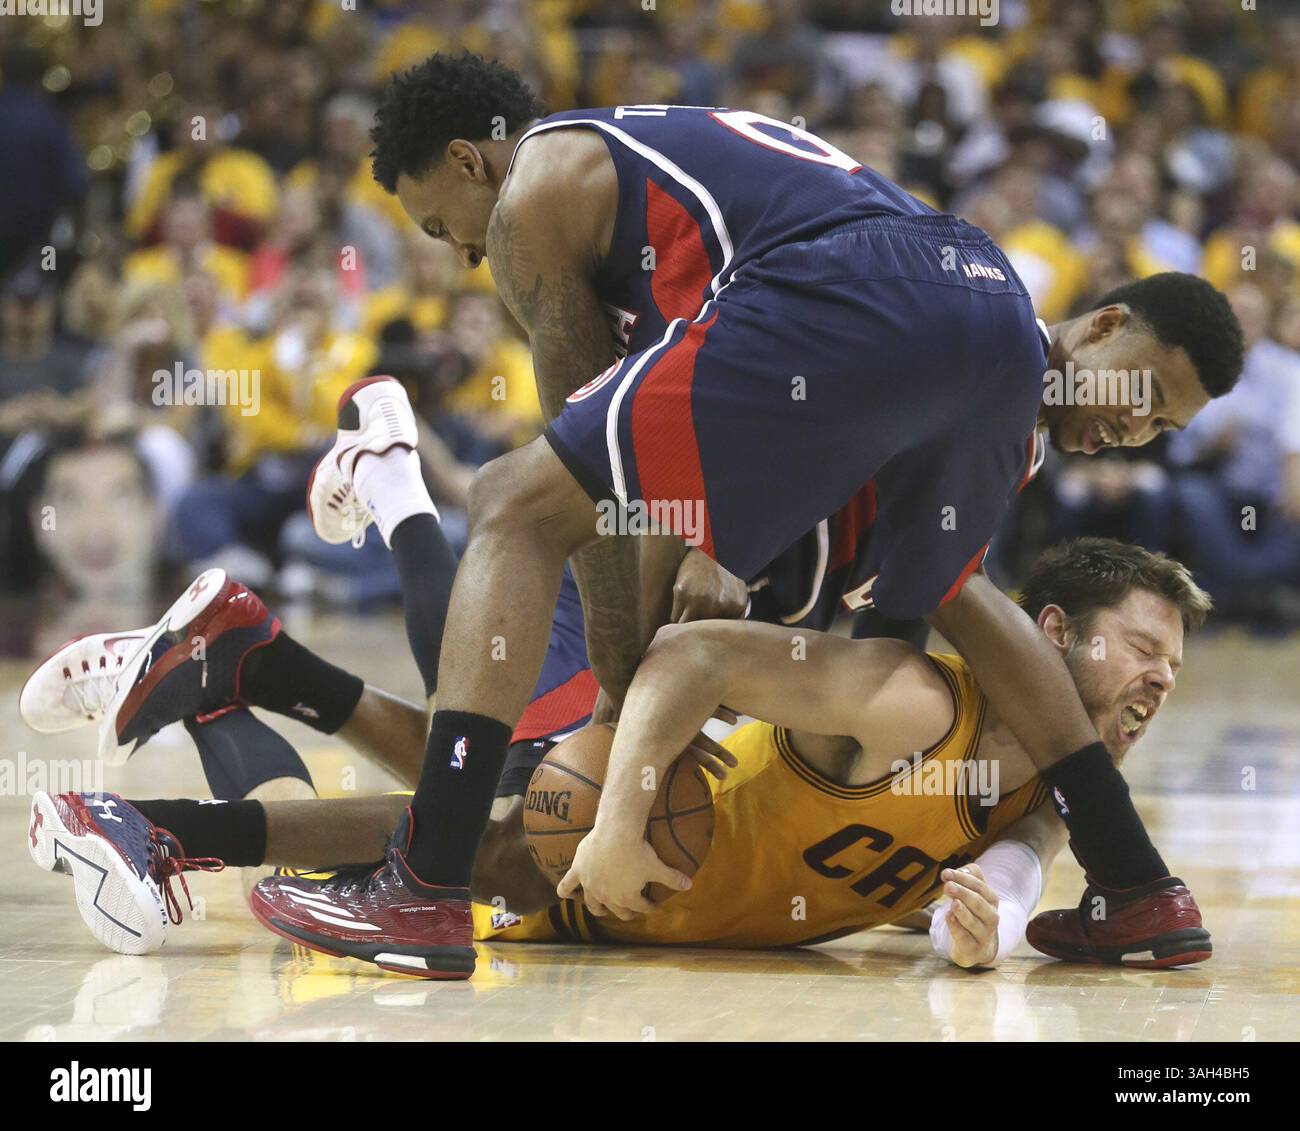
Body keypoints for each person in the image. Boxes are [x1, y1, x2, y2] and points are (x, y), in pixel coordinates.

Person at [82, 53, 1254, 978]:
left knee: (509, 510)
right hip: (951, 291)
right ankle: (1138, 881)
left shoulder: (538, 182)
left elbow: (582, 498)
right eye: (1141, 402)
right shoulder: (1016, 413)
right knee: (920, 605)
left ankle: (419, 883)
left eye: (446, 226)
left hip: (858, 291)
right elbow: (869, 604)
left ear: (471, 164)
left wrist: (624, 689)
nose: (460, 254)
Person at [26, 538, 1212, 971]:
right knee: (498, 827)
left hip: (656, 880)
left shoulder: (1041, 804)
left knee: (485, 818)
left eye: (1174, 664)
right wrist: (617, 820)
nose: (1160, 681)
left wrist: (971, 926)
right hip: (637, 810)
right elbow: (690, 657)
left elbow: (1004, 884)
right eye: (1143, 649)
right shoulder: (909, 701)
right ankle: (174, 795)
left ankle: (254, 670)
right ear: (1048, 635)